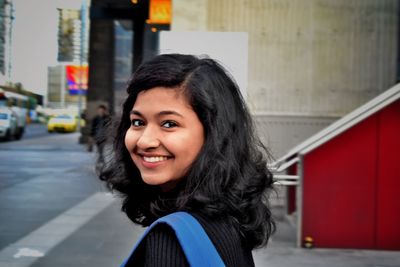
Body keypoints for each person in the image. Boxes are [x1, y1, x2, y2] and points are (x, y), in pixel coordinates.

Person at [99, 54, 275, 266]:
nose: (145, 141)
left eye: (169, 124)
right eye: (137, 122)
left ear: (213, 134)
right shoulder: (227, 221)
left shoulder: (172, 240)